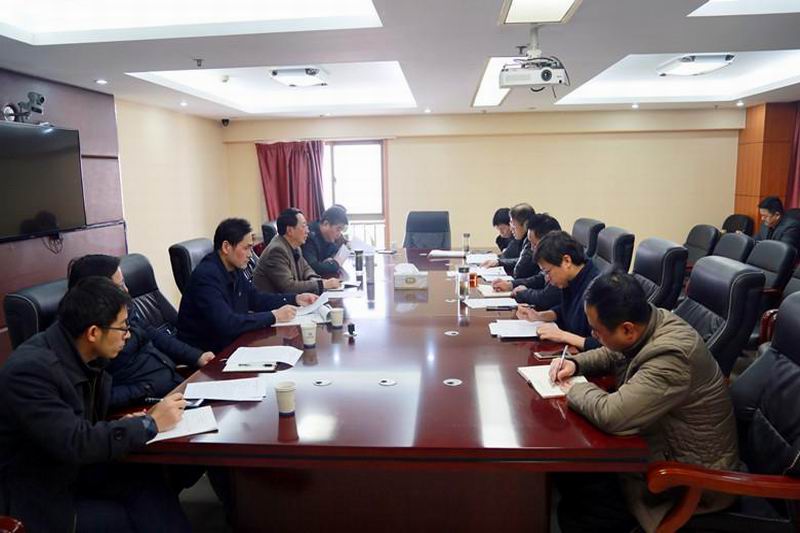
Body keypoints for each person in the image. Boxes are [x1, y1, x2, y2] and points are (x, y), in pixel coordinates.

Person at [549, 271, 738, 533]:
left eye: (597, 332)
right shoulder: (650, 320)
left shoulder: (672, 355)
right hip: (661, 447)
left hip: (689, 482)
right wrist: (575, 363)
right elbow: (614, 352)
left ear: (628, 329)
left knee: (581, 499)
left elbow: (613, 415)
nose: (594, 335)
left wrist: (572, 389)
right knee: (570, 472)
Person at [0, 277, 190, 533]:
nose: (128, 335)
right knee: (125, 519)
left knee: (148, 481)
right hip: (39, 495)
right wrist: (148, 424)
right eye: (122, 327)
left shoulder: (85, 355)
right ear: (93, 333)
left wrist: (125, 425)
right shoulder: (30, 371)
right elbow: (75, 441)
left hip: (74, 471)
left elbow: (83, 424)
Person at [67, 254, 213, 408]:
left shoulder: (124, 309)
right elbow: (97, 400)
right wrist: (145, 388)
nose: (126, 290)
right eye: (120, 286)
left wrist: (196, 356)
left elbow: (153, 334)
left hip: (174, 385)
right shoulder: (89, 338)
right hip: (146, 405)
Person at [177, 217, 317, 353]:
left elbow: (255, 298)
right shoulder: (206, 277)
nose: (251, 254)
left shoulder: (233, 268)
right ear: (226, 247)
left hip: (232, 344)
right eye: (247, 248)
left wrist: (295, 298)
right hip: (209, 355)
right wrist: (274, 316)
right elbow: (227, 324)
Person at [516, 231, 601, 350]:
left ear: (567, 261)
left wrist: (563, 336)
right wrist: (540, 316)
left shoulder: (598, 290)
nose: (547, 278)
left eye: (547, 272)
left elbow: (606, 347)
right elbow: (567, 311)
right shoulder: (572, 281)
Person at [254, 208, 342, 294]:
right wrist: (322, 284)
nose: (307, 231)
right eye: (303, 226)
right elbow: (288, 287)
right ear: (290, 231)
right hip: (275, 302)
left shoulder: (295, 246)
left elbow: (306, 269)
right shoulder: (277, 251)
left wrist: (316, 280)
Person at [492, 212, 561, 310]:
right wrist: (511, 284)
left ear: (548, 241)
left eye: (534, 244)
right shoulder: (551, 259)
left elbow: (546, 298)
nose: (531, 249)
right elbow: (540, 278)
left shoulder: (560, 262)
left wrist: (524, 293)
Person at [481, 203, 537, 278]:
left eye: (513, 225)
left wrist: (500, 262)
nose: (511, 229)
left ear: (525, 225)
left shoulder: (532, 240)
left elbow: (520, 270)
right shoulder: (523, 238)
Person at [302, 205, 349, 276]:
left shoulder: (329, 237)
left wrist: (330, 261)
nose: (339, 234)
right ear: (326, 224)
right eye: (338, 229)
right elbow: (313, 267)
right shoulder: (309, 236)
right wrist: (335, 264)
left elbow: (334, 253)